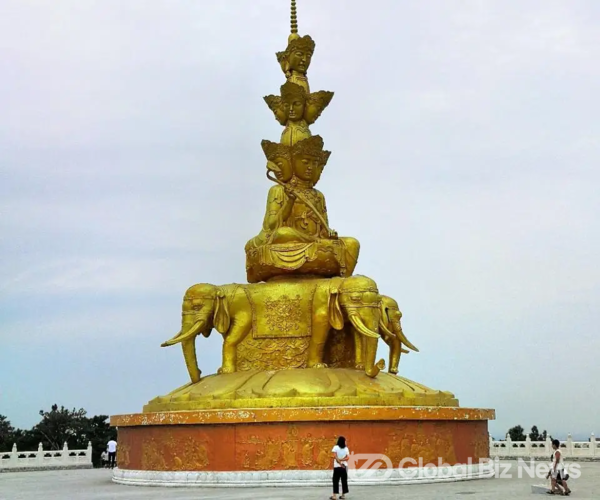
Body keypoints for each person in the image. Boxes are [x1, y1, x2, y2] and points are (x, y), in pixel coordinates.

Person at [331, 436, 349, 500]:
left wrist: (339, 462)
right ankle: (343, 495)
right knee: (344, 480)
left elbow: (335, 457)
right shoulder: (346, 448)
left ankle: (334, 496)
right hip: (344, 466)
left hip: (337, 467)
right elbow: (347, 458)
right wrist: (342, 460)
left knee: (335, 481)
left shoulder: (335, 447)